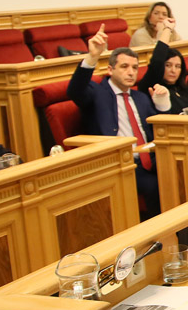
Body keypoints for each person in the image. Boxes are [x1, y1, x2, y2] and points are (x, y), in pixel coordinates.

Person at [68, 24, 170, 216]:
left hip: (153, 159)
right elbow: (75, 91)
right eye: (124, 67)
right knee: (157, 185)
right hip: (121, 165)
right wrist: (92, 57)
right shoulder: (97, 93)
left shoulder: (140, 97)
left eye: (134, 68)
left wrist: (162, 105)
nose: (131, 72)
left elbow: (159, 129)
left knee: (186, 173)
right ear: (109, 70)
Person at [138, 19, 188, 114]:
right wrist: (167, 29)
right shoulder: (153, 85)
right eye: (168, 65)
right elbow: (157, 60)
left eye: (178, 66)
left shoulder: (182, 89)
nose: (173, 70)